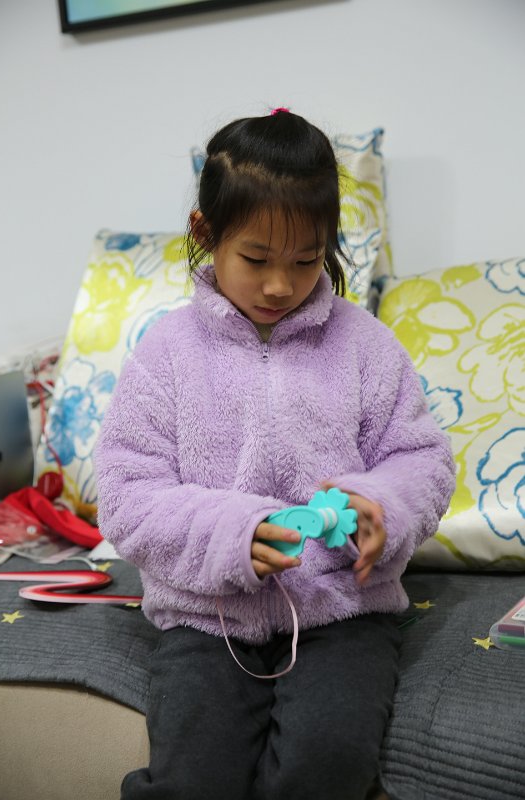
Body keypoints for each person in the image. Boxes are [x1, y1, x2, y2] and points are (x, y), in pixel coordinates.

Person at [94, 109, 455, 800]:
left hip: (342, 607)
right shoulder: (166, 354)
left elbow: (422, 458)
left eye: (306, 260)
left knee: (327, 761)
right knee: (192, 777)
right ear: (206, 233)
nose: (280, 285)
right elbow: (126, 496)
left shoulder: (364, 345)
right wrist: (230, 534)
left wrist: (384, 506)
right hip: (206, 614)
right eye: (256, 260)